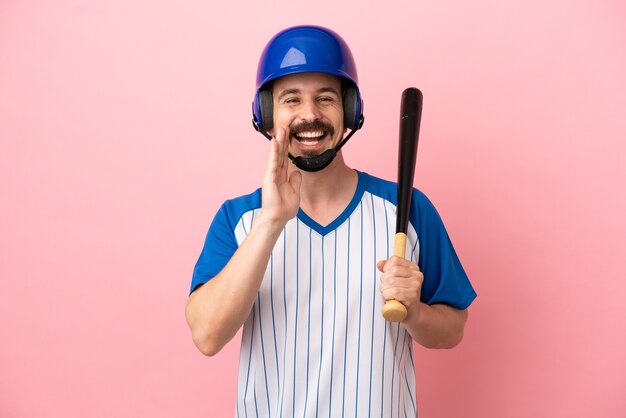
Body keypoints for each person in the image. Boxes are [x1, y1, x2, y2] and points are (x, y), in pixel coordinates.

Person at [185, 25, 476, 418]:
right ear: (267, 115)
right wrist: (272, 221)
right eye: (291, 99)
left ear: (350, 109)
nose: (310, 114)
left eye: (326, 98)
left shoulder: (405, 209)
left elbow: (453, 330)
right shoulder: (238, 220)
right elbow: (206, 336)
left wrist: (416, 312)